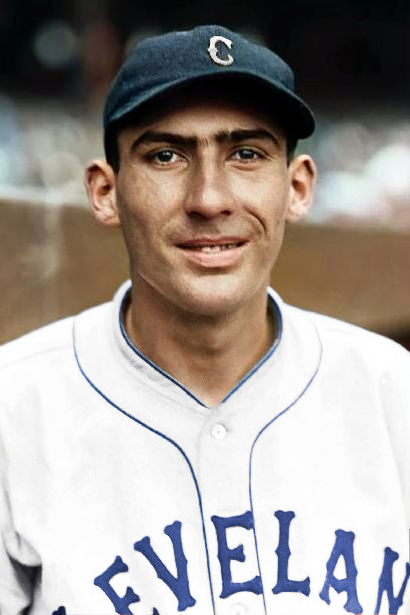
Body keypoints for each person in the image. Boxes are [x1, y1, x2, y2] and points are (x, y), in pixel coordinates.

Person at [0, 24, 409, 615]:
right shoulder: (15, 408)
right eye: (166, 155)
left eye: (247, 154)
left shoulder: (392, 392)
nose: (209, 199)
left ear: (297, 187)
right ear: (105, 191)